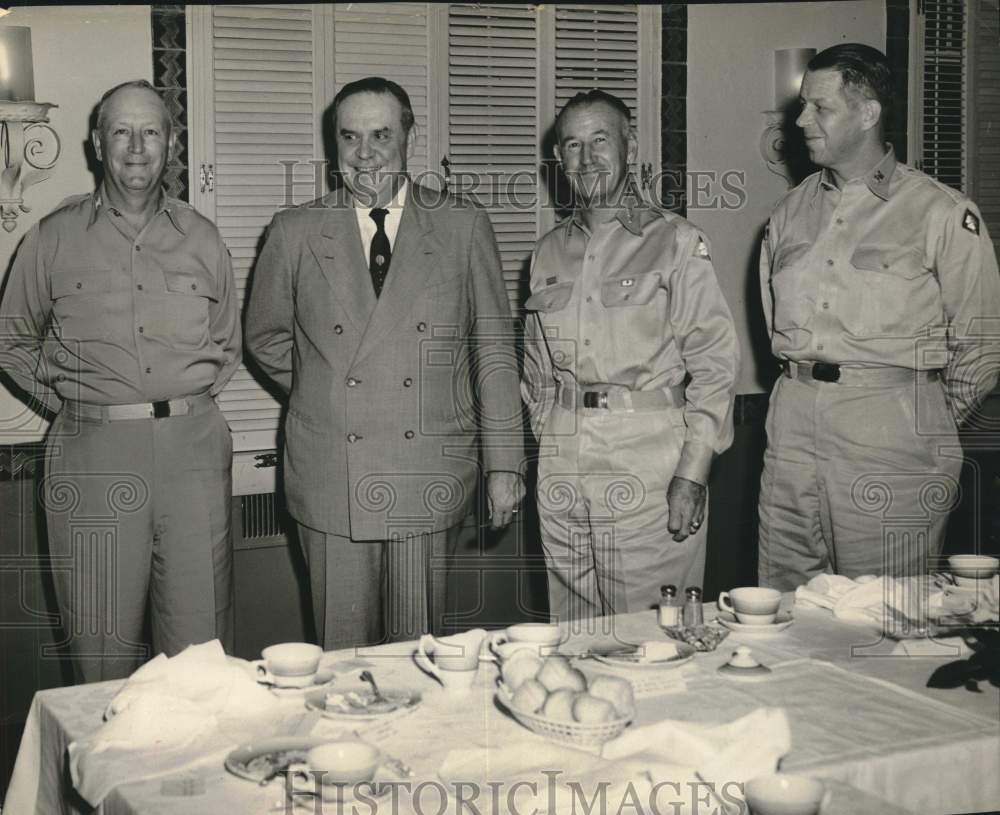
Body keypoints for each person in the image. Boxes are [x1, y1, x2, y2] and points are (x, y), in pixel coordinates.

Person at [246, 77, 525, 649]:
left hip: (424, 467)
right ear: (334, 144)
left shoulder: (461, 225)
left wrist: (505, 465)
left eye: (381, 135)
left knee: (416, 653)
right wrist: (330, 389)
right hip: (332, 474)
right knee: (342, 655)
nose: (365, 153)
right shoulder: (295, 231)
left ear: (410, 139)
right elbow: (266, 337)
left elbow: (494, 350)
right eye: (350, 137)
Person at [0, 80, 240, 682]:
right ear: (97, 143)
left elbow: (227, 344)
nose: (137, 147)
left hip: (193, 455)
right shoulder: (51, 238)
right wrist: (78, 400)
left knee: (202, 662)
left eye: (151, 131)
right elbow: (11, 340)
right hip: (93, 457)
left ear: (171, 143)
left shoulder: (203, 237)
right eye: (121, 132)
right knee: (101, 655)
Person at [758, 44, 1000, 590]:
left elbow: (982, 347)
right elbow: (773, 323)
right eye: (803, 105)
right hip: (792, 425)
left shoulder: (941, 212)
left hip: (891, 435)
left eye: (820, 107)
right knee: (786, 601)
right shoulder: (789, 211)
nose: (801, 121)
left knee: (882, 609)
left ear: (867, 113)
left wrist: (917, 419)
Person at [521, 90, 739, 621]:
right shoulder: (547, 252)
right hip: (564, 462)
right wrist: (552, 439)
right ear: (559, 158)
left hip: (649, 464)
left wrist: (693, 473)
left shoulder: (676, 241)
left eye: (600, 140)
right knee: (573, 628)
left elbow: (714, 363)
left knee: (651, 630)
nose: (587, 158)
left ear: (630, 147)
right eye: (573, 145)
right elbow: (537, 370)